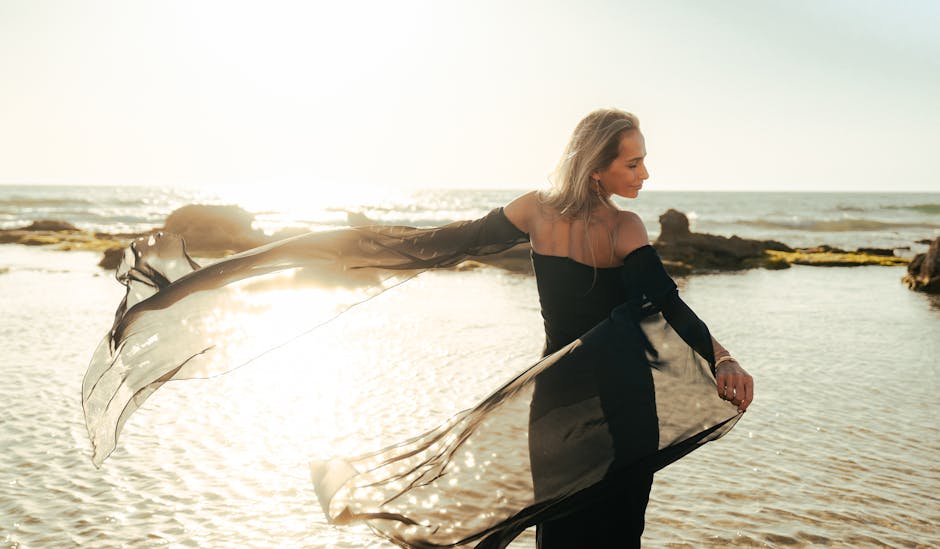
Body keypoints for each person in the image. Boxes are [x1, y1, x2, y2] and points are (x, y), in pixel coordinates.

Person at [501, 108, 754, 547]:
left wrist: (356, 244)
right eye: (633, 164)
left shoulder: (533, 210)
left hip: (557, 400)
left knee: (558, 534)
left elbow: (450, 241)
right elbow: (668, 303)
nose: (645, 174)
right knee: (617, 535)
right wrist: (723, 359)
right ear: (596, 169)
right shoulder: (623, 226)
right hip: (623, 404)